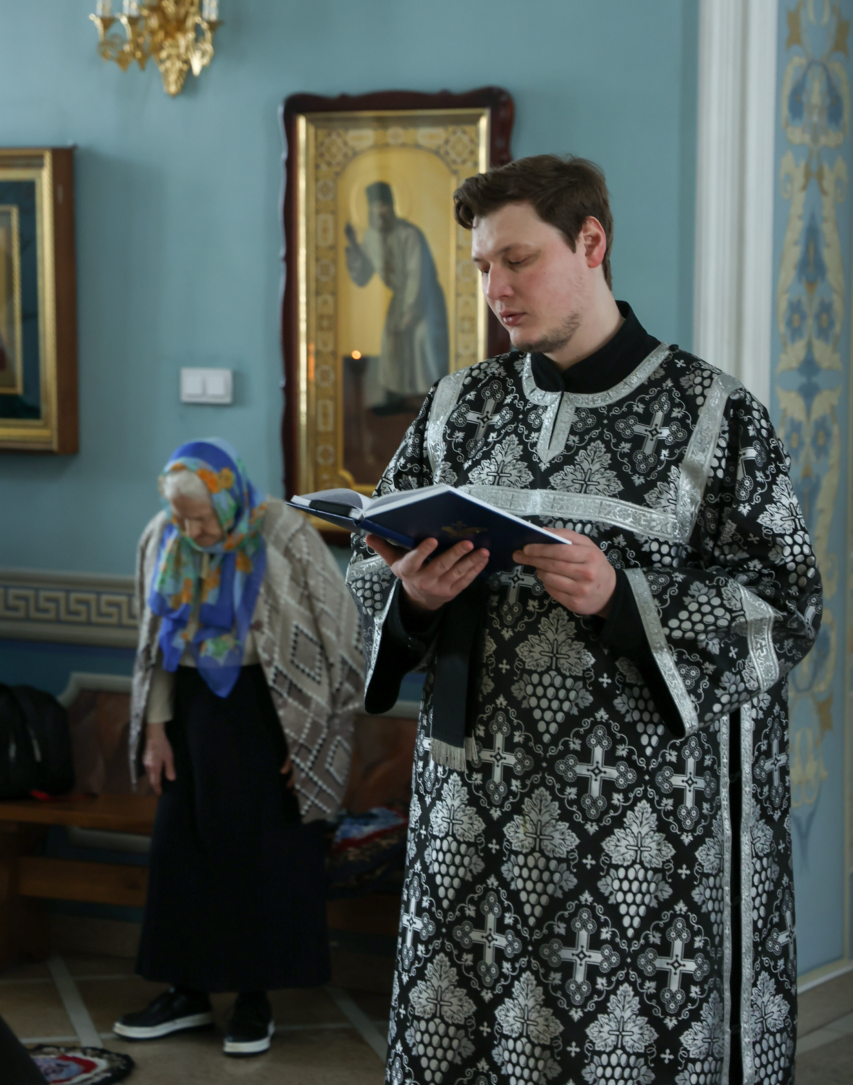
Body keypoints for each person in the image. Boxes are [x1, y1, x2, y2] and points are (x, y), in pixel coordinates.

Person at [346, 156, 821, 1085]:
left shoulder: (713, 414)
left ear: (591, 243)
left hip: (640, 828)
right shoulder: (456, 407)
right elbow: (371, 569)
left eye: (517, 260)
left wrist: (622, 597)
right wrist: (414, 596)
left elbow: (784, 604)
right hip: (473, 813)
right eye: (483, 266)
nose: (496, 290)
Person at [116, 438, 362, 1056]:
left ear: (227, 497)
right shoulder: (163, 536)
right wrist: (154, 729)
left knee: (263, 854)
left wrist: (315, 734)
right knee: (182, 849)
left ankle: (255, 1000)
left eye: (201, 517)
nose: (192, 530)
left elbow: (341, 631)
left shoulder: (282, 532)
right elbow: (154, 642)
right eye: (181, 516)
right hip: (190, 707)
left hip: (271, 709)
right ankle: (187, 992)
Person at [345, 180, 449, 403]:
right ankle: (396, 402)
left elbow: (416, 277)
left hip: (425, 300)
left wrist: (408, 315)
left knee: (422, 340)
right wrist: (353, 246)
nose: (379, 213)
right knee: (390, 344)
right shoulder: (371, 237)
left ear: (392, 207)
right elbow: (362, 277)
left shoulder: (410, 234)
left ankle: (431, 403)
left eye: (383, 206)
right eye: (375, 208)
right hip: (400, 299)